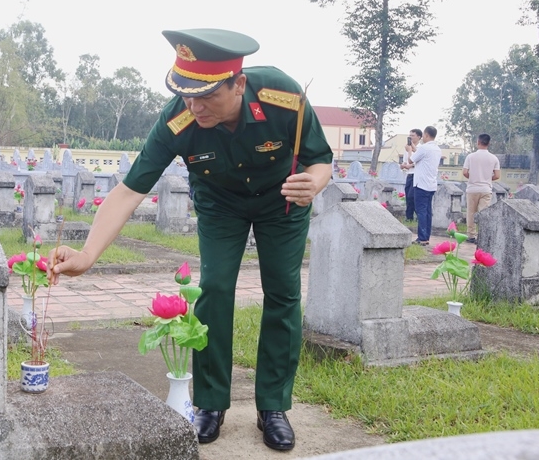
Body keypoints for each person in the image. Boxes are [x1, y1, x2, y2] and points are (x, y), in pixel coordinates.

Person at [49, 29, 332, 451]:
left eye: (206, 96)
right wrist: (89, 255)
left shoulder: (282, 95)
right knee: (215, 288)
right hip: (221, 204)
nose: (194, 107)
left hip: (283, 202)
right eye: (185, 95)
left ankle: (273, 406)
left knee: (283, 293)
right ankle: (211, 404)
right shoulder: (177, 121)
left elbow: (320, 158)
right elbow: (129, 191)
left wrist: (313, 183)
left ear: (238, 85)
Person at [462, 134, 500, 244]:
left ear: (478, 142)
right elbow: (497, 175)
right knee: (483, 213)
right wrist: (487, 178)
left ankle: (471, 235)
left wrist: (473, 177)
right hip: (486, 189)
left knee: (471, 212)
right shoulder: (494, 158)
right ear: (488, 143)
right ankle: (483, 234)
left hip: (472, 188)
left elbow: (464, 172)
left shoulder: (470, 157)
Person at [407, 126, 441, 246]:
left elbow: (411, 160)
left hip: (421, 183)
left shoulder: (425, 147)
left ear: (426, 135)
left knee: (421, 211)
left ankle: (422, 238)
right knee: (427, 211)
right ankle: (426, 237)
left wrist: (409, 149)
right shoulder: (437, 149)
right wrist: (414, 148)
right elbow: (422, 156)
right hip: (431, 183)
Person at [400, 129, 422, 221]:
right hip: (409, 174)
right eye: (410, 135)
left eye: (413, 135)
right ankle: (409, 216)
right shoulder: (407, 148)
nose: (411, 137)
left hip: (416, 174)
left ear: (419, 137)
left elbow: (418, 161)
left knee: (412, 196)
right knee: (408, 196)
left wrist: (410, 164)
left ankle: (416, 215)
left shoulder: (420, 148)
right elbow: (406, 160)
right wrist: (403, 165)